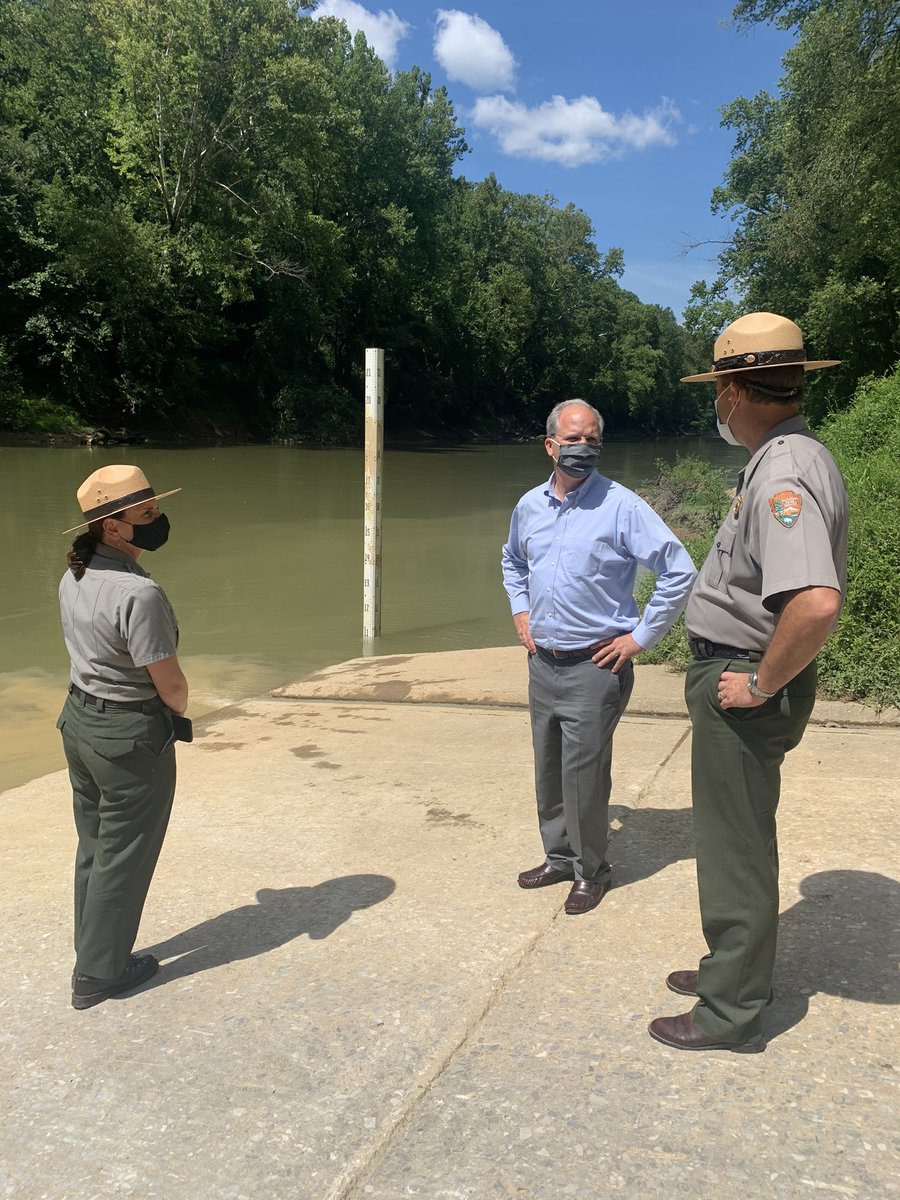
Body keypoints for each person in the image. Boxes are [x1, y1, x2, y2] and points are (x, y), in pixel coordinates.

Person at [648, 312, 848, 1053]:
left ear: (733, 390)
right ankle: (726, 968)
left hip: (743, 682)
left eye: (719, 389)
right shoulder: (787, 455)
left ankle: (730, 1012)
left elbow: (815, 601)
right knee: (735, 834)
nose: (718, 404)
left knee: (734, 846)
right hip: (738, 672)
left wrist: (760, 685)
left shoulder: (785, 473)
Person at [501, 399, 696, 914]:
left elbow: (680, 570)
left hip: (597, 665)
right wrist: (521, 611)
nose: (583, 448)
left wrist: (640, 638)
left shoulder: (622, 506)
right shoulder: (529, 506)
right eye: (573, 439)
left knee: (584, 775)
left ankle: (592, 870)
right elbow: (512, 561)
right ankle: (559, 856)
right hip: (543, 661)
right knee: (549, 768)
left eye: (593, 440)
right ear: (550, 446)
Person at [58, 464, 189, 1010]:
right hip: (128, 735)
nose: (158, 519)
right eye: (146, 513)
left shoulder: (76, 574)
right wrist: (177, 711)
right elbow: (172, 687)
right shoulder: (139, 593)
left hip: (79, 722)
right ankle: (99, 973)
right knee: (125, 853)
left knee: (96, 846)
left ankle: (92, 950)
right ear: (114, 528)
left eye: (155, 506)